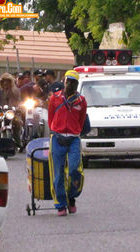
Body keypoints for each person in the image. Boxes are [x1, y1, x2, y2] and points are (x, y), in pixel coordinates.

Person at [48, 70, 86, 216]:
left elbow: (81, 121)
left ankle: (72, 197)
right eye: (68, 81)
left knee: (74, 169)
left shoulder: (81, 101)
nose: (70, 84)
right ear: (64, 81)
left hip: (74, 139)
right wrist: (55, 131)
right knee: (58, 173)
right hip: (57, 138)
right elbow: (51, 118)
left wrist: (74, 131)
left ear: (77, 84)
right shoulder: (55, 99)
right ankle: (61, 204)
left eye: (73, 82)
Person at [0, 73, 22, 148]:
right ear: (1, 82)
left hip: (13, 112)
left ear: (11, 82)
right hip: (0, 112)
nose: (5, 83)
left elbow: (19, 101)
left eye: (8, 81)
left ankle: (18, 141)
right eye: (4, 81)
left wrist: (20, 107)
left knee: (18, 123)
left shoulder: (16, 91)